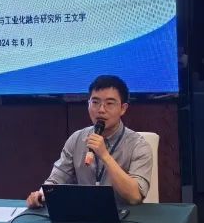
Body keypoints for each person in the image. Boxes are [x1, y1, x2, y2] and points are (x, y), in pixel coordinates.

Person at [26, 75, 153, 208]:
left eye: (109, 103)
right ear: (88, 105)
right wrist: (42, 194)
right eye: (95, 102)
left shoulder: (139, 145)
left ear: (123, 108)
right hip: (83, 215)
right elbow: (57, 179)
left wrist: (105, 156)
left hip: (124, 215)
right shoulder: (77, 139)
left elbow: (135, 196)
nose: (101, 110)